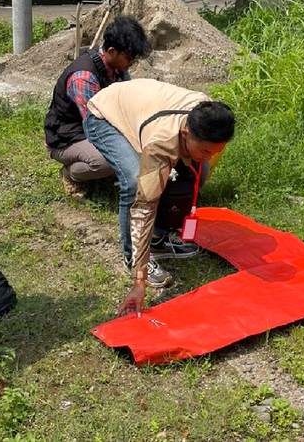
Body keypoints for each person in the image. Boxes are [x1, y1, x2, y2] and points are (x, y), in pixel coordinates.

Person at [84, 79, 236, 314]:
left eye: (217, 150)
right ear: (186, 133)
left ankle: (159, 237)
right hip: (105, 115)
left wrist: (195, 160)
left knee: (199, 170)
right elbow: (144, 209)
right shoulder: (161, 143)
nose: (210, 155)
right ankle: (132, 259)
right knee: (136, 181)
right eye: (206, 150)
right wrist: (139, 282)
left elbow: (198, 159)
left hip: (142, 108)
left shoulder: (207, 115)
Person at [44, 16, 149, 197]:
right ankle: (72, 174)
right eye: (129, 58)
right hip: (68, 137)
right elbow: (97, 125)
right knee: (109, 160)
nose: (131, 63)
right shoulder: (83, 77)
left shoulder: (118, 69)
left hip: (93, 128)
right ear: (111, 51)